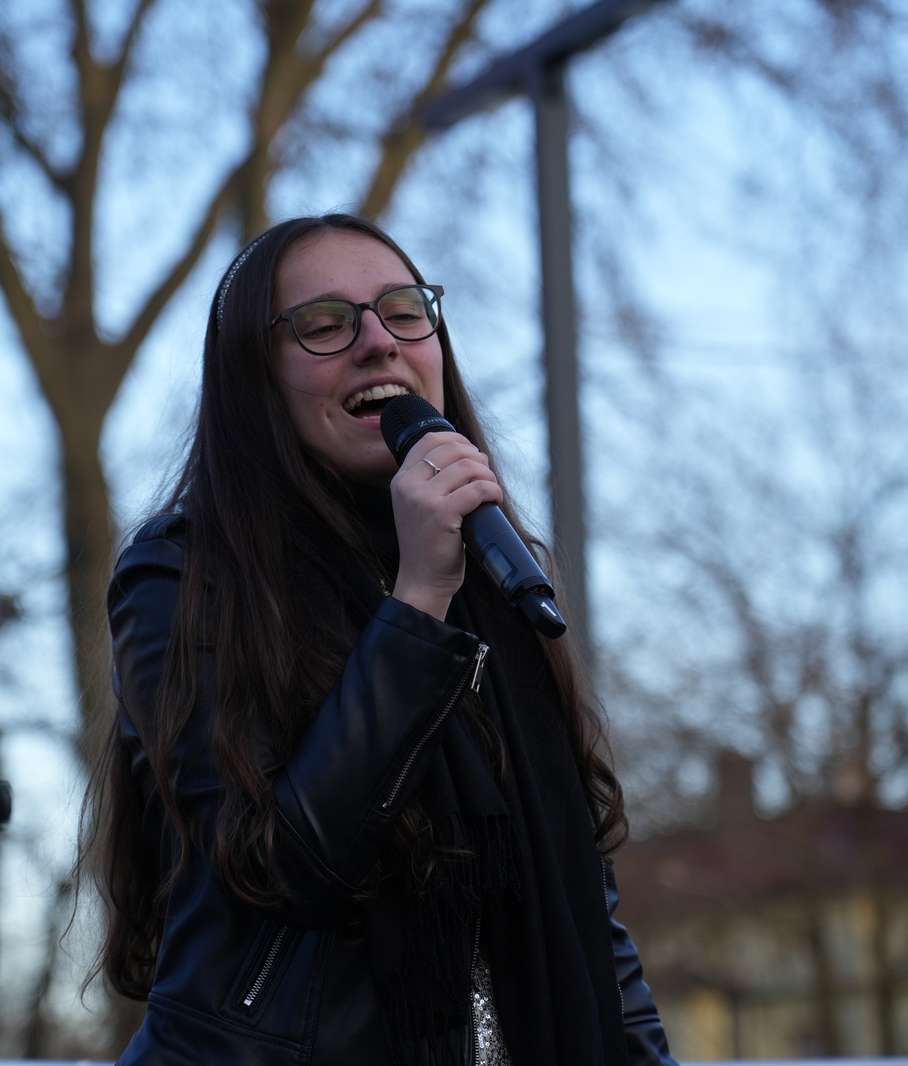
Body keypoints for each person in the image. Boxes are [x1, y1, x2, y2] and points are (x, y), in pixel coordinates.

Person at [88, 213, 677, 1066]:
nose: (377, 342)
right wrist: (417, 601)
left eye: (404, 311)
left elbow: (587, 906)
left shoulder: (495, 572)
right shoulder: (179, 579)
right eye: (323, 325)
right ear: (254, 380)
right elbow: (279, 864)